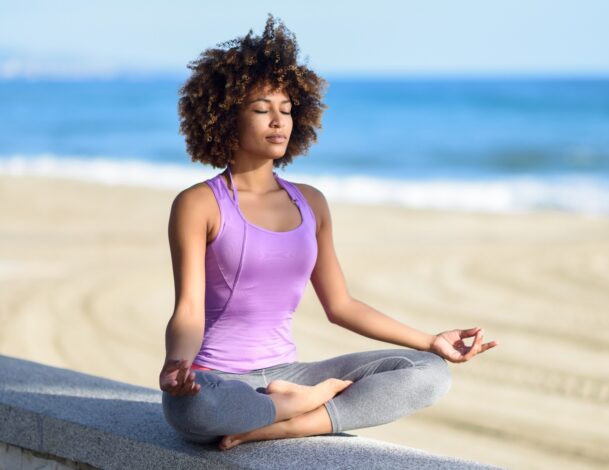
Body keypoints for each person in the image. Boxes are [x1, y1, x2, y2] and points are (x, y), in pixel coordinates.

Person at [159, 14, 499, 452]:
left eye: (286, 110)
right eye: (262, 110)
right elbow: (188, 309)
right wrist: (177, 364)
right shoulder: (199, 203)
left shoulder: (311, 203)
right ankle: (291, 406)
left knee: (430, 373)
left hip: (290, 374)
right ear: (226, 118)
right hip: (221, 380)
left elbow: (341, 306)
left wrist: (431, 341)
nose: (278, 121)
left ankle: (287, 422)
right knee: (190, 411)